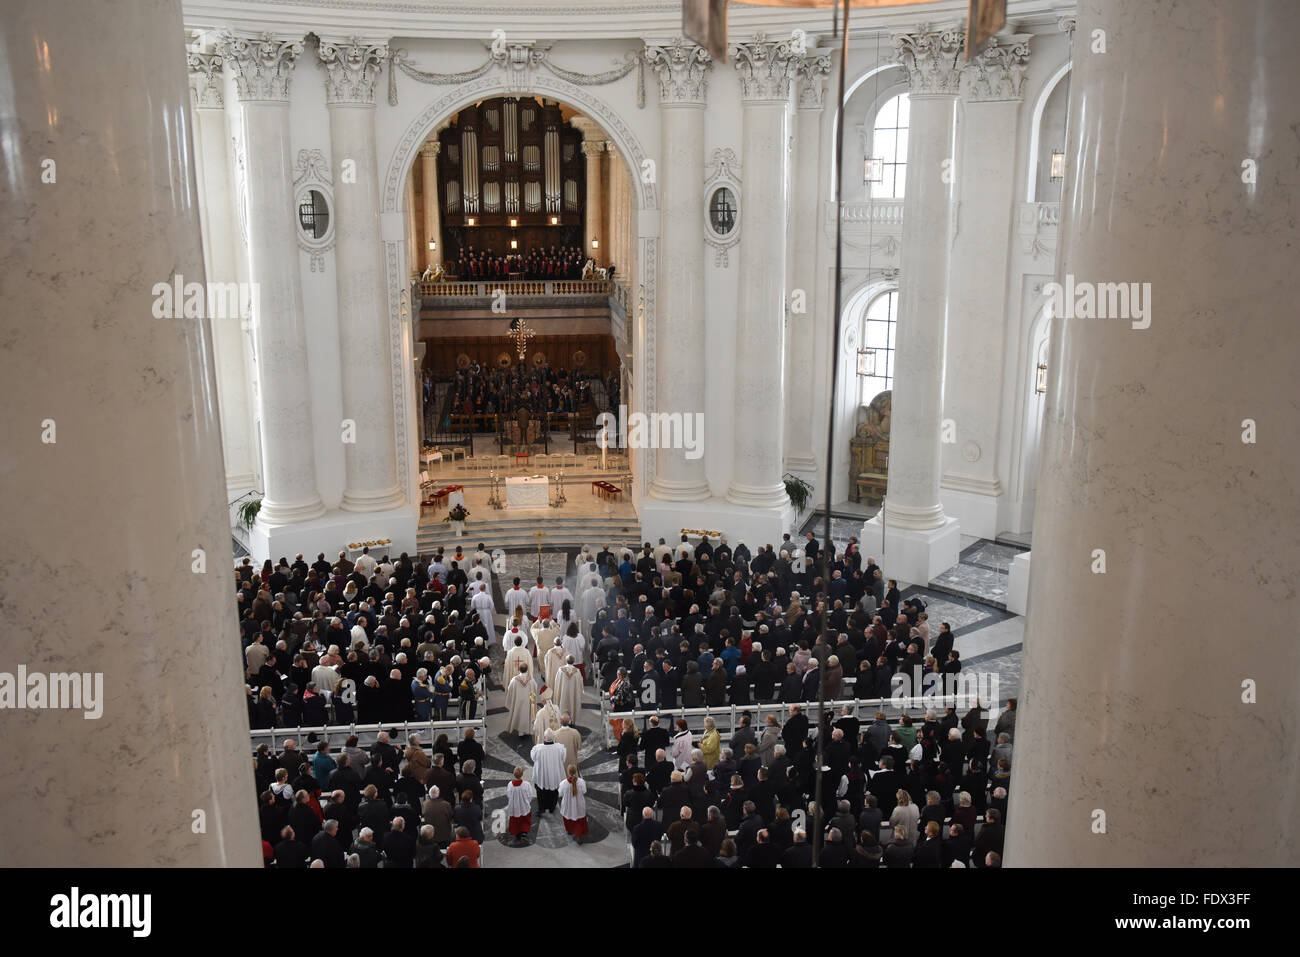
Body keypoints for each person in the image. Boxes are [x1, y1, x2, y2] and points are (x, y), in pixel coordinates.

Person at [530, 729, 568, 816]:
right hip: (554, 775)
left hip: (541, 776)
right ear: (554, 737)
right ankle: (552, 808)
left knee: (541, 792)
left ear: (544, 737)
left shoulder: (538, 748)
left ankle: (542, 809)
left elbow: (533, 757)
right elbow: (563, 759)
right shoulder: (560, 748)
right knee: (554, 792)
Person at [505, 767, 536, 846]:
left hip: (514, 807)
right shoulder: (526, 784)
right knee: (525, 819)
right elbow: (530, 795)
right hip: (524, 806)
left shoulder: (510, 785)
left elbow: (508, 795)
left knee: (515, 821)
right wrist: (527, 802)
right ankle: (524, 831)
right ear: (522, 774)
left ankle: (517, 834)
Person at [504, 663, 535, 736]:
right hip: (527, 701)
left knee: (519, 714)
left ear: (519, 669)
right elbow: (535, 688)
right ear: (527, 670)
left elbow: (510, 689)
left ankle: (520, 731)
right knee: (526, 714)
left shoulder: (515, 679)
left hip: (518, 701)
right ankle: (527, 730)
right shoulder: (531, 679)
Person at [560, 764, 588, 843]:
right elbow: (584, 791)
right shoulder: (581, 782)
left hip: (568, 805)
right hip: (579, 804)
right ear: (576, 772)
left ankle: (570, 830)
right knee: (579, 820)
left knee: (568, 817)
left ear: (568, 773)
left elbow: (560, 794)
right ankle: (579, 837)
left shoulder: (563, 783)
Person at [553, 655, 583, 723]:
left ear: (566, 661)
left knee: (562, 703)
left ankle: (562, 719)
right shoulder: (577, 671)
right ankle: (572, 720)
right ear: (574, 661)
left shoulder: (561, 670)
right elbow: (580, 684)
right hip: (572, 694)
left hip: (563, 693)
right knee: (572, 703)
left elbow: (557, 682)